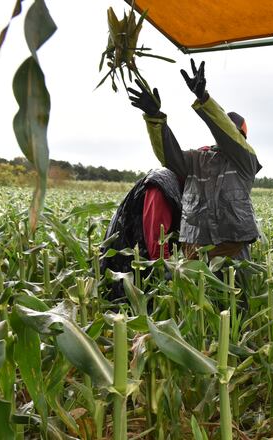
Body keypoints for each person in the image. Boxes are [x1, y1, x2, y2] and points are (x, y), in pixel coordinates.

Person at [127, 59, 261, 261]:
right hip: (194, 250)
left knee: (235, 291)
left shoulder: (245, 160)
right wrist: (154, 117)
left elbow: (228, 135)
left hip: (231, 249)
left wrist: (204, 98)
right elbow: (169, 156)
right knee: (194, 293)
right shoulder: (198, 159)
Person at [101, 168, 182, 300]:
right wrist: (168, 274)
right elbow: (157, 243)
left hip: (141, 258)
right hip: (130, 259)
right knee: (131, 304)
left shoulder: (175, 184)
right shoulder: (161, 187)